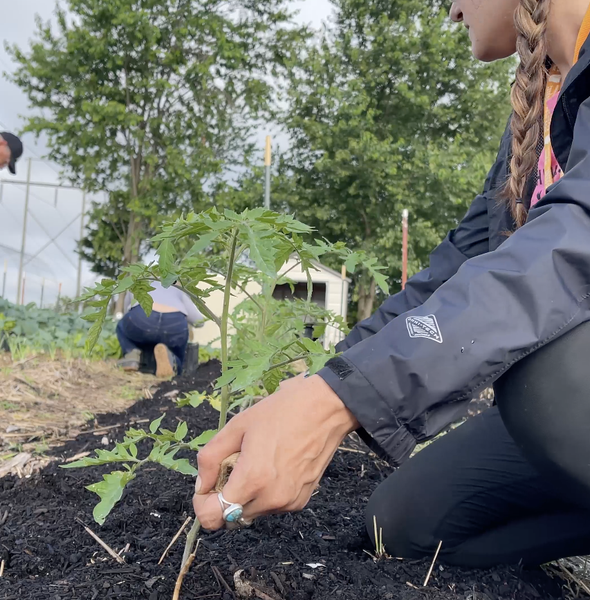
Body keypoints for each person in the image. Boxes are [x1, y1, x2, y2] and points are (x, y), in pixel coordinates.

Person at [192, 0, 590, 568]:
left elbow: (571, 249)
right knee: (405, 523)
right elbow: (463, 262)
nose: (451, 11)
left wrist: (338, 402)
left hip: (569, 391)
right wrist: (325, 382)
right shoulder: (544, 102)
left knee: (543, 381)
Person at [117, 281, 204, 378]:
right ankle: (173, 360)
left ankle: (131, 354)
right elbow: (199, 322)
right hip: (174, 324)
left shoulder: (142, 284)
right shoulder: (179, 291)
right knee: (178, 352)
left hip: (143, 317)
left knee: (121, 326)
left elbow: (127, 311)